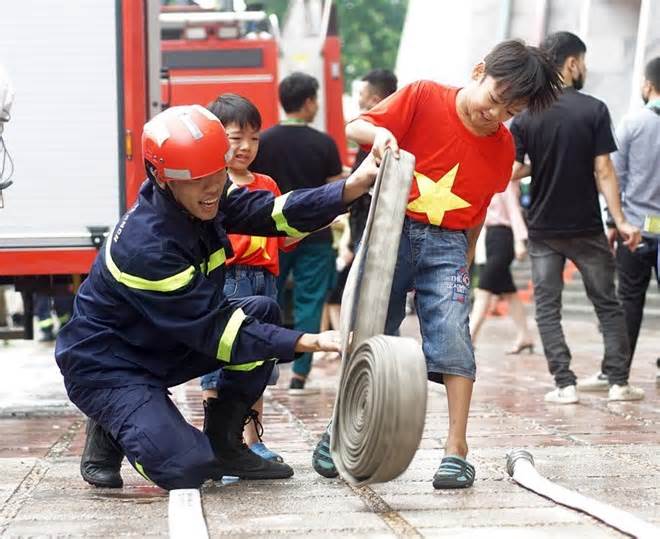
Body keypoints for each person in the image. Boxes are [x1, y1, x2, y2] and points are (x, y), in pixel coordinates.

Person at [55, 104, 378, 491]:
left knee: (262, 311)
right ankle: (114, 423)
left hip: (161, 343)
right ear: (162, 177)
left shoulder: (204, 195)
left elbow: (271, 213)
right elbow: (220, 332)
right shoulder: (147, 248)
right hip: (109, 366)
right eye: (198, 179)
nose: (213, 188)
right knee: (187, 468)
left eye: (217, 173)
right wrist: (311, 340)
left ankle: (226, 443)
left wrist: (352, 187)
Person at [312, 39, 562, 489]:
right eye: (494, 100)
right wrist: (382, 134)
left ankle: (456, 448)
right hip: (391, 227)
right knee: (368, 328)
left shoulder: (502, 149)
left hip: (448, 246)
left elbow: (480, 208)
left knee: (452, 333)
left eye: (509, 112)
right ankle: (340, 427)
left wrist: (466, 260)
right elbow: (356, 126)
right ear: (478, 70)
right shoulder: (424, 95)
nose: (495, 115)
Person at [509, 31, 644, 404]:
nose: (584, 69)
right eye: (583, 62)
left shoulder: (524, 117)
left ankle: (564, 384)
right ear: (571, 63)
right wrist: (620, 220)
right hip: (586, 227)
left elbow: (512, 171)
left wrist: (543, 161)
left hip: (542, 230)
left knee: (547, 309)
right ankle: (618, 383)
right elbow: (604, 171)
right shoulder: (594, 109)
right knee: (607, 303)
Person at [199, 93, 298, 464]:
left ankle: (252, 442)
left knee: (258, 360)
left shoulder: (267, 184)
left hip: (264, 281)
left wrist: (315, 220)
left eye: (254, 138)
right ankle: (215, 444)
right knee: (218, 362)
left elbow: (282, 238)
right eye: (235, 137)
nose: (246, 147)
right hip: (227, 280)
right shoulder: (209, 183)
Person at [251, 72, 344, 395]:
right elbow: (336, 192)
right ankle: (300, 374)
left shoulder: (263, 141)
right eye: (315, 99)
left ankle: (263, 362)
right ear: (307, 102)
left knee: (265, 298)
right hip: (315, 236)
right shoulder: (324, 143)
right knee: (310, 302)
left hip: (270, 233)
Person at [579, 57, 660, 390]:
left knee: (628, 300)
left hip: (636, 229)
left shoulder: (632, 123)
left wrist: (614, 220)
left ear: (647, 85)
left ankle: (615, 373)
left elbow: (614, 175)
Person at [469, 181, 533, 353]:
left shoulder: (505, 180)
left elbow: (513, 211)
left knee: (483, 288)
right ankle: (525, 336)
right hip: (491, 237)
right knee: (509, 292)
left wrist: (520, 241)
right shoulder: (487, 178)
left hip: (503, 237)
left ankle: (469, 337)